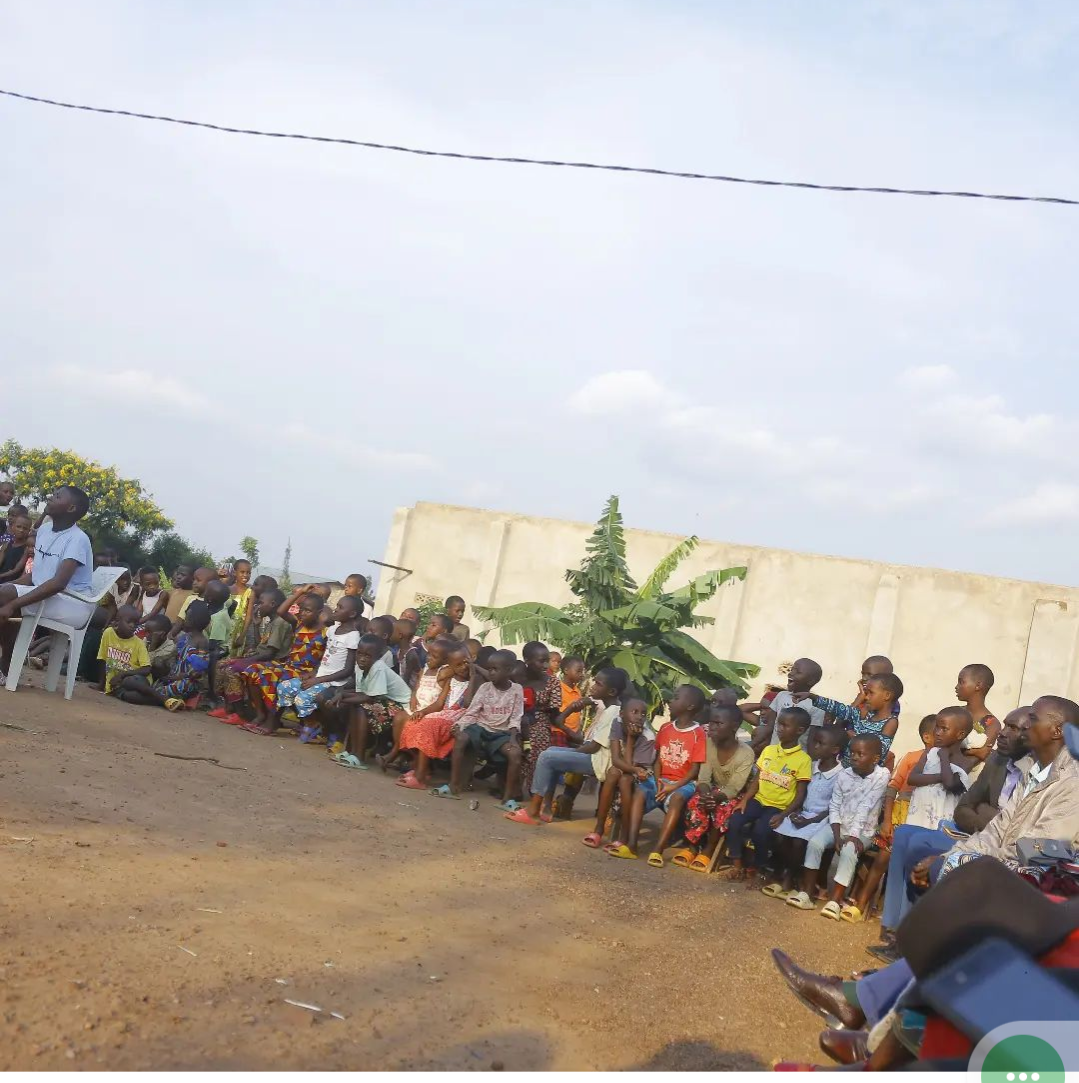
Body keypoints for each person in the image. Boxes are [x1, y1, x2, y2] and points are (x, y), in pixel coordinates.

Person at [869, 706, 975, 960]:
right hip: (917, 817)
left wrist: (947, 759)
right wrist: (940, 770)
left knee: (917, 867)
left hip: (940, 826)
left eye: (944, 728)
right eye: (936, 726)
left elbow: (952, 785)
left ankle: (907, 930)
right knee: (900, 859)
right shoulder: (930, 755)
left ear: (960, 734)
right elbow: (915, 778)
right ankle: (891, 923)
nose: (937, 732)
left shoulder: (966, 760)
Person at [842, 714, 938, 922]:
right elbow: (892, 789)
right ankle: (861, 903)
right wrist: (887, 821)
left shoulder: (945, 765)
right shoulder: (911, 757)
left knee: (909, 865)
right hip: (897, 818)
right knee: (882, 860)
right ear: (928, 737)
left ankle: (889, 909)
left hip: (922, 821)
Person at [506, 666, 628, 827]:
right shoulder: (610, 708)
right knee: (550, 752)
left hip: (599, 762)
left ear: (611, 692)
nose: (592, 685)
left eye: (598, 684)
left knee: (548, 757)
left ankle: (533, 811)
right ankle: (543, 807)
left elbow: (593, 748)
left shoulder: (614, 712)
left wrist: (571, 753)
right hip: (595, 756)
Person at [0, 485, 95, 683]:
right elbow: (36, 576)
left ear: (71, 509)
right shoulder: (43, 530)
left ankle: (7, 667)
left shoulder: (78, 539)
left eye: (58, 496)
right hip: (50, 595)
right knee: (4, 594)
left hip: (72, 603)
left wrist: (13, 602)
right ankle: (7, 668)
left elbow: (59, 583)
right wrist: (6, 589)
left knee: (8, 600)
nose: (51, 498)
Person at [792, 734, 889, 919]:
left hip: (863, 831)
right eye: (852, 753)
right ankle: (807, 893)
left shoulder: (882, 776)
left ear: (875, 758)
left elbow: (866, 806)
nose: (854, 757)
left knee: (849, 850)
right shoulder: (844, 774)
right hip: (839, 825)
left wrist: (852, 836)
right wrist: (837, 835)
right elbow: (834, 804)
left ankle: (835, 900)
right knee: (815, 843)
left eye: (860, 754)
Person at [615, 684, 708, 865]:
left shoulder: (698, 735)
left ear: (689, 706)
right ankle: (632, 845)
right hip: (661, 778)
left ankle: (658, 849)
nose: (670, 701)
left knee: (677, 799)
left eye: (676, 697)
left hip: (683, 783)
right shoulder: (665, 728)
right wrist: (657, 780)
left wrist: (673, 786)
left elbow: (694, 770)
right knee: (641, 791)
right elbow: (657, 760)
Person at [723, 706, 813, 881]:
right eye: (779, 724)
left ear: (800, 731)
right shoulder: (769, 751)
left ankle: (759, 868)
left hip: (778, 807)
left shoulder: (804, 760)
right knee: (734, 820)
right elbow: (757, 779)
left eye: (785, 726)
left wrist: (784, 815)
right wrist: (745, 800)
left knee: (760, 832)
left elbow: (800, 794)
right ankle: (737, 865)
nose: (780, 729)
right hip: (758, 800)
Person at [265, 594, 362, 741]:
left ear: (353, 614)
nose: (335, 610)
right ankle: (313, 722)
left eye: (340, 608)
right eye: (337, 606)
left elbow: (348, 670)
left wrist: (318, 679)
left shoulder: (353, 636)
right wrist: (313, 673)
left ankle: (322, 725)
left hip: (334, 682)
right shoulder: (333, 630)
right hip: (319, 676)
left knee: (302, 699)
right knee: (284, 687)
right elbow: (325, 657)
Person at [431, 649, 523, 802]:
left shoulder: (516, 690)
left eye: (495, 669)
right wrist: (460, 725)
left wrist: (513, 738)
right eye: (489, 669)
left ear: (508, 670)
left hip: (501, 733)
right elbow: (472, 711)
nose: (491, 673)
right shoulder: (485, 688)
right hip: (480, 728)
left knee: (515, 755)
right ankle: (454, 785)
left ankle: (507, 799)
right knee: (461, 738)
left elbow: (516, 717)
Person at [766, 727, 845, 902]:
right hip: (802, 814)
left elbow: (833, 806)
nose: (814, 746)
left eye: (820, 743)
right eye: (814, 742)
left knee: (798, 842)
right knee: (779, 835)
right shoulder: (810, 766)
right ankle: (783, 872)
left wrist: (810, 821)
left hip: (822, 819)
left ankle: (791, 879)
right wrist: (795, 812)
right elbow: (800, 793)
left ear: (835, 750)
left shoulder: (841, 775)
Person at [678, 703, 755, 870]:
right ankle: (692, 846)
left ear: (734, 727)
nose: (711, 727)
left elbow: (734, 788)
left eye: (718, 724)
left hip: (735, 795)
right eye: (711, 722)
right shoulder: (708, 744)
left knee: (724, 808)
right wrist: (707, 795)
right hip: (713, 790)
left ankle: (708, 850)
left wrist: (715, 798)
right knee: (696, 801)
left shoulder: (746, 753)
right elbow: (704, 778)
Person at [241, 589, 327, 734]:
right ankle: (261, 714)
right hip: (289, 665)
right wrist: (301, 592)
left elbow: (326, 658)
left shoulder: (326, 632)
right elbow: (282, 611)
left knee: (272, 677)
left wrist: (315, 672)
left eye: (308, 610)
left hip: (305, 672)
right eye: (301, 609)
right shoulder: (299, 624)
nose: (303, 613)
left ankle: (272, 722)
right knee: (251, 670)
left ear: (319, 612)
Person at [396, 643, 477, 788]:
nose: (463, 668)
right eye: (457, 665)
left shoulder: (476, 681)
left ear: (471, 660)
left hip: (462, 716)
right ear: (450, 666)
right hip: (443, 714)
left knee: (428, 726)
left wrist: (473, 676)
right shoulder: (451, 680)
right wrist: (423, 712)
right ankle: (421, 770)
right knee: (414, 723)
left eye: (465, 663)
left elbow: (467, 704)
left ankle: (420, 779)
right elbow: (440, 703)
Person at [210, 588, 293, 725]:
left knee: (231, 668)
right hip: (263, 658)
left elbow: (270, 653)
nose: (258, 606)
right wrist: (255, 625)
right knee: (221, 664)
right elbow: (260, 645)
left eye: (261, 603)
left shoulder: (280, 623)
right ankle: (229, 707)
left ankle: (240, 713)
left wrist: (244, 660)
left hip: (274, 662)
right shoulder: (271, 621)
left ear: (272, 604)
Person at [332, 634, 413, 768]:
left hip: (402, 708)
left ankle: (359, 756)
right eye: (359, 654)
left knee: (361, 706)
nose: (362, 659)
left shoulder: (378, 668)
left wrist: (343, 697)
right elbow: (361, 692)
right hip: (384, 701)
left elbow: (369, 698)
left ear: (378, 656)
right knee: (355, 705)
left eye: (367, 656)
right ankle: (350, 751)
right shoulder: (360, 667)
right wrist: (342, 695)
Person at [586, 695, 655, 850]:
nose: (639, 717)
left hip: (644, 774)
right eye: (635, 712)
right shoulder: (617, 723)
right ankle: (599, 829)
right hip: (627, 767)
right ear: (622, 714)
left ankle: (624, 836)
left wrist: (630, 739)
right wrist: (632, 768)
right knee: (613, 772)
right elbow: (617, 759)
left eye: (643, 714)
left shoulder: (647, 737)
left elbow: (633, 769)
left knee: (624, 780)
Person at [115, 600, 211, 710]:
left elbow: (199, 672)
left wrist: (179, 676)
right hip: (171, 678)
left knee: (137, 693)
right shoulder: (183, 638)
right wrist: (162, 664)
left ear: (196, 620)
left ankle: (162, 700)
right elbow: (173, 658)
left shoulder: (202, 642)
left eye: (187, 616)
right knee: (135, 682)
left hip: (187, 682)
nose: (184, 619)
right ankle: (166, 700)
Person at [380, 635, 454, 769]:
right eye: (429, 654)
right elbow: (416, 688)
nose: (429, 658)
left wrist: (423, 711)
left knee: (410, 724)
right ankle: (400, 751)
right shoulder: (424, 670)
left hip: (430, 711)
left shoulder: (444, 673)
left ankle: (395, 754)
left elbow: (439, 703)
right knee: (399, 718)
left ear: (445, 661)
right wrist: (413, 698)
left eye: (434, 656)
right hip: (418, 706)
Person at [805, 673, 903, 766]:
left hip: (865, 777)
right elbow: (841, 709)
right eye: (866, 693)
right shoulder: (865, 713)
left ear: (887, 695)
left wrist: (854, 737)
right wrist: (813, 697)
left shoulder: (890, 722)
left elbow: (879, 750)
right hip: (846, 771)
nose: (866, 697)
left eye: (871, 693)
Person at [750, 658, 826, 753]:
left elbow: (811, 740)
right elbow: (769, 727)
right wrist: (750, 746)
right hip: (774, 754)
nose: (790, 673)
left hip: (796, 759)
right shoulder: (781, 696)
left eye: (797, 672)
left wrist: (810, 762)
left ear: (810, 681)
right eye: (791, 670)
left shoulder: (816, 707)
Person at [519, 641, 563, 798]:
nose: (545, 665)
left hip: (540, 723)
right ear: (527, 660)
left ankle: (534, 790)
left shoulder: (552, 682)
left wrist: (570, 731)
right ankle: (512, 786)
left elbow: (555, 714)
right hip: (516, 720)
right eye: (541, 661)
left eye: (547, 660)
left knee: (536, 742)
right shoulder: (518, 678)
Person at [95, 604, 151, 694]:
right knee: (128, 696)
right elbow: (102, 659)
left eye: (136, 623)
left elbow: (146, 669)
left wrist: (123, 674)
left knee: (130, 682)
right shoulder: (108, 633)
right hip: (117, 684)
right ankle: (158, 699)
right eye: (129, 622)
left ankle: (162, 699)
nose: (133, 626)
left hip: (135, 680)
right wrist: (101, 685)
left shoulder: (139, 643)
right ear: (117, 621)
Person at [955, 663, 1000, 765]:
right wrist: (974, 751)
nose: (956, 687)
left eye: (961, 682)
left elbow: (982, 755)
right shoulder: (954, 713)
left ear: (978, 686)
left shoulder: (991, 723)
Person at [400, 613, 454, 687]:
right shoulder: (417, 643)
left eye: (433, 625)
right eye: (429, 624)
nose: (428, 627)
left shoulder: (446, 654)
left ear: (444, 631)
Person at [0, 511, 33, 584]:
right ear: (12, 527)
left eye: (25, 528)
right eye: (18, 526)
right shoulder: (6, 544)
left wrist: (2, 575)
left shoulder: (27, 548)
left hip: (13, 581)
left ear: (29, 531)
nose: (21, 530)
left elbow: (17, 569)